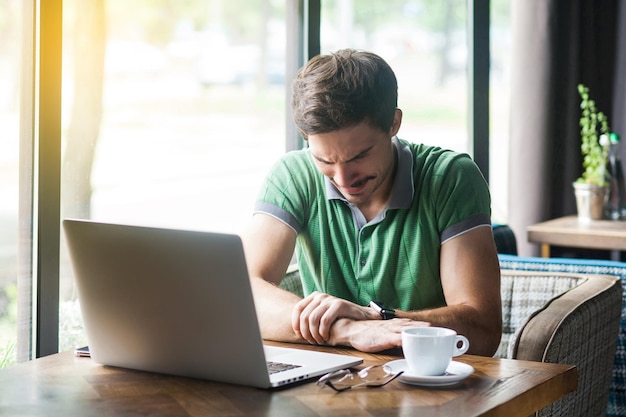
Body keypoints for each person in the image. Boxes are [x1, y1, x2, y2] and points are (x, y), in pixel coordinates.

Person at [242, 49, 502, 356]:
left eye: (359, 156)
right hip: (326, 385)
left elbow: (483, 330)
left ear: (393, 123)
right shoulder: (293, 174)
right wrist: (350, 330)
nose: (342, 178)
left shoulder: (450, 177)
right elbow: (240, 292)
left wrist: (376, 317)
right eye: (324, 160)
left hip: (429, 384)